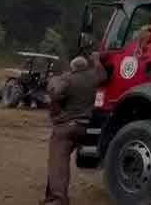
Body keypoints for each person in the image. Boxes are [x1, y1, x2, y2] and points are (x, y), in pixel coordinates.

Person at [42, 51, 107, 205]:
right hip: (83, 127)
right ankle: (51, 196)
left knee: (57, 162)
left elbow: (55, 93)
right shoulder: (93, 77)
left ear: (73, 68)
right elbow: (103, 75)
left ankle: (59, 198)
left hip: (66, 127)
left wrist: (55, 83)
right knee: (58, 161)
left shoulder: (68, 78)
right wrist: (97, 60)